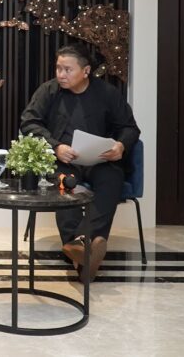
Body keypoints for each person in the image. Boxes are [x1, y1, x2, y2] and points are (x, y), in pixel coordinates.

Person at [20, 43, 140, 282]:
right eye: (58, 68)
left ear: (86, 71)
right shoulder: (48, 91)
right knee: (66, 185)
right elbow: (29, 123)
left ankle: (77, 248)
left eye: (67, 70)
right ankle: (85, 253)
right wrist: (56, 146)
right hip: (63, 160)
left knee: (112, 179)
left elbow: (130, 128)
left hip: (100, 160)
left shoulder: (107, 93)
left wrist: (120, 146)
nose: (61, 75)